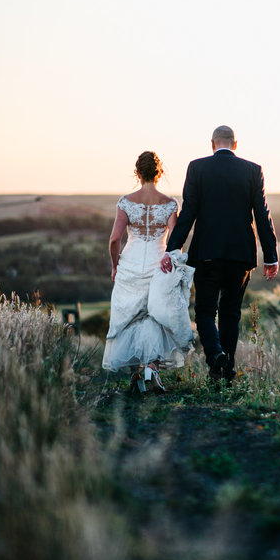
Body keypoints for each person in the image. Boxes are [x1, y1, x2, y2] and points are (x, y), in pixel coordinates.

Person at [161, 125, 279, 385]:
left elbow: (188, 212)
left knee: (204, 311)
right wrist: (271, 255)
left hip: (206, 253)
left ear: (212, 143)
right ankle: (228, 370)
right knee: (231, 312)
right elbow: (262, 214)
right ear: (235, 144)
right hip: (240, 255)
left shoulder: (197, 168)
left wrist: (172, 248)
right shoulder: (252, 170)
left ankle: (215, 355)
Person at [102, 151, 194, 394]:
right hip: (158, 264)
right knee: (155, 316)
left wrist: (115, 266)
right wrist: (169, 258)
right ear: (159, 172)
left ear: (137, 173)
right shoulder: (169, 203)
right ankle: (152, 368)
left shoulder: (126, 202)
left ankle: (136, 374)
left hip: (131, 264)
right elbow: (175, 242)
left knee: (130, 316)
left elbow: (114, 240)